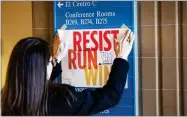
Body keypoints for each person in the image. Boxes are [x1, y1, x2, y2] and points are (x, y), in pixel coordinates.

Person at [1, 29, 134, 116]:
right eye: (49, 62)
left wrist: (56, 58)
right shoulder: (62, 99)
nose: (51, 63)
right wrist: (121, 57)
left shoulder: (6, 99)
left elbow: (35, 82)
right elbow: (109, 97)